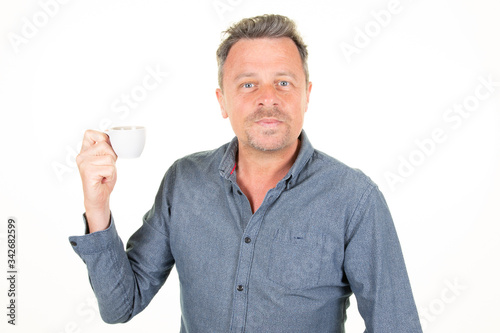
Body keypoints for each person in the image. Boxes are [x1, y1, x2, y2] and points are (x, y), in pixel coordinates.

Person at [70, 14, 422, 332]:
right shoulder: (184, 183)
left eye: (283, 83)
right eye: (248, 84)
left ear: (307, 96)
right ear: (222, 101)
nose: (267, 98)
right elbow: (120, 305)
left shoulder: (354, 198)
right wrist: (97, 206)